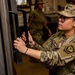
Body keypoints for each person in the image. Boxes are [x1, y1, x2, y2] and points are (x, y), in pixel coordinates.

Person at [14, 4, 75, 75]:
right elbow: (44, 50)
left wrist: (25, 50)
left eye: (64, 18)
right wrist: (32, 43)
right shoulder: (58, 35)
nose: (59, 19)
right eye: (60, 17)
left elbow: (55, 58)